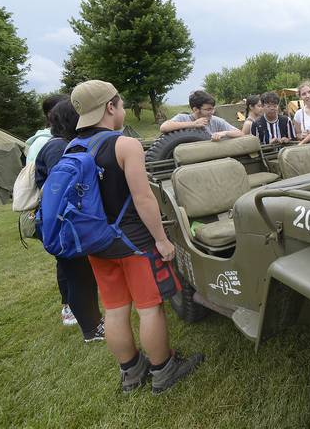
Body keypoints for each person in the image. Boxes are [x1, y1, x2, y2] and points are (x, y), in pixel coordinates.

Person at [70, 80, 203, 393]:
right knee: (149, 307)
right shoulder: (124, 144)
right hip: (134, 244)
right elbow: (143, 199)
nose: (123, 109)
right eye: (121, 103)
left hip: (97, 244)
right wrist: (161, 239)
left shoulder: (72, 147)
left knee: (115, 309)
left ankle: (131, 373)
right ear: (110, 107)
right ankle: (163, 370)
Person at [34, 100, 105, 342]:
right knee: (78, 277)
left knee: (80, 275)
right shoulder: (58, 148)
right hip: (61, 224)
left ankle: (93, 324)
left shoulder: (62, 145)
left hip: (63, 222)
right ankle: (91, 329)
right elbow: (65, 189)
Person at [24, 93, 78, 326]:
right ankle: (70, 308)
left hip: (57, 215)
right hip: (57, 217)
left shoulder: (57, 143)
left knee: (71, 263)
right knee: (67, 263)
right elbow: (59, 186)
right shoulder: (55, 146)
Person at [159, 90, 243, 141]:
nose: (212, 112)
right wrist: (193, 124)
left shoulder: (215, 121)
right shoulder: (183, 118)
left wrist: (224, 133)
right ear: (195, 109)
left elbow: (240, 133)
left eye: (213, 108)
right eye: (208, 109)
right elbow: (164, 127)